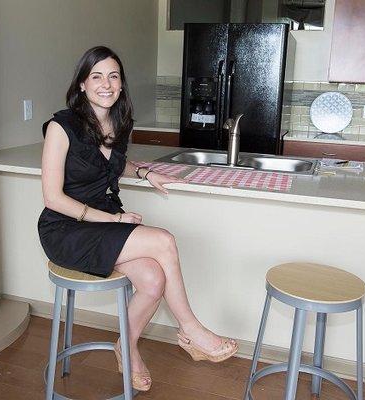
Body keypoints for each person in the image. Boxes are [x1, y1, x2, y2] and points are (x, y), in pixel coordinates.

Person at [38, 46, 238, 392]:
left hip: (102, 224)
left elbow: (112, 163)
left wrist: (146, 172)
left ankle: (125, 347)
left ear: (121, 84)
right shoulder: (62, 126)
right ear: (82, 84)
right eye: (97, 76)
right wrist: (113, 222)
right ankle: (190, 329)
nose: (106, 84)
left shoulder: (117, 121)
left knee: (153, 278)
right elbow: (53, 198)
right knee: (163, 240)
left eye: (113, 76)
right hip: (67, 229)